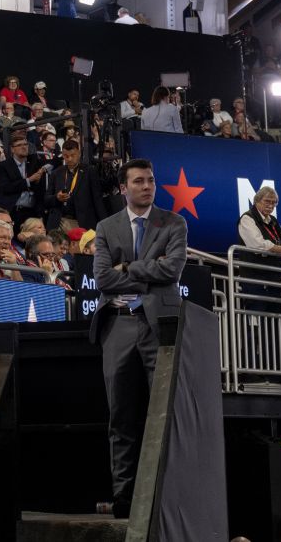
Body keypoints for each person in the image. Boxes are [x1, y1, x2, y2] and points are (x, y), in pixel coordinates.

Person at [91, 159, 187, 520]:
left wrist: (127, 268)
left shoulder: (173, 222)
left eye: (150, 180)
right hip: (117, 326)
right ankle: (124, 497)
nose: (147, 186)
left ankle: (164, 494)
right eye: (138, 181)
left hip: (157, 326)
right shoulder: (106, 226)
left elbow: (173, 269)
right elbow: (102, 279)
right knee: (121, 417)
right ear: (123, 187)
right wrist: (150, 269)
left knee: (162, 414)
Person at [47, 139, 107, 230]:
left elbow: (97, 199)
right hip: (59, 221)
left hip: (82, 222)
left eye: (72, 155)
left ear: (79, 154)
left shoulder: (89, 171)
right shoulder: (56, 173)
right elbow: (46, 199)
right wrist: (57, 198)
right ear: (62, 155)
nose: (69, 159)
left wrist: (105, 223)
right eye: (66, 156)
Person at [237, 183, 281, 263]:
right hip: (256, 271)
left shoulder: (273, 220)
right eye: (267, 201)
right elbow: (259, 246)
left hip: (275, 271)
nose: (270, 206)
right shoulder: (247, 218)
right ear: (257, 201)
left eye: (274, 203)